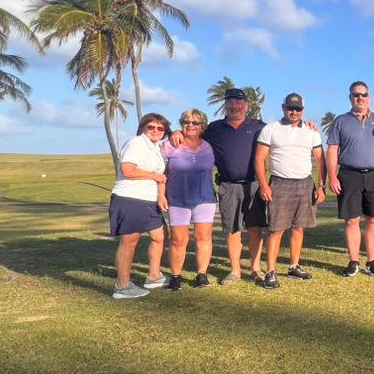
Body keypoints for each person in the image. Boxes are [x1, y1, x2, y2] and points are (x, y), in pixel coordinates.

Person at [255, 93, 326, 289]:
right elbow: (259, 159)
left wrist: (321, 186)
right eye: (290, 108)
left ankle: (294, 265)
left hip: (304, 183)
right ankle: (270, 271)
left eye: (298, 109)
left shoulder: (312, 131)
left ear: (303, 110)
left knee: (298, 227)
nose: (294, 112)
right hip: (280, 183)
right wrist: (264, 184)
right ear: (283, 108)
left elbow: (320, 160)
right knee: (276, 229)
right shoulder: (271, 129)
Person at [201, 88, 267, 284]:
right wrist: (177, 133)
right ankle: (235, 271)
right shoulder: (214, 128)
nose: (234, 106)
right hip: (228, 186)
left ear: (246, 105)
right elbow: (193, 136)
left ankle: (255, 269)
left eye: (239, 102)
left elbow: (283, 132)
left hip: (254, 185)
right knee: (232, 230)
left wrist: (307, 125)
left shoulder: (259, 126)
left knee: (254, 228)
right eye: (230, 102)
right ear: (225, 105)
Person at [325, 80, 374, 277]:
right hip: (349, 174)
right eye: (355, 95)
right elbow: (333, 149)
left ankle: (371, 261)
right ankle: (354, 261)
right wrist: (332, 176)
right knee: (352, 221)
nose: (360, 98)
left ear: (369, 97)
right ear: (350, 98)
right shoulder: (340, 121)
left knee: (373, 219)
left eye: (363, 94)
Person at [109, 113, 171, 299]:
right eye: (151, 127)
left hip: (149, 200)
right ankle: (123, 286)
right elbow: (127, 169)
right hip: (130, 198)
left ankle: (153, 276)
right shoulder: (136, 143)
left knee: (160, 235)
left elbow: (161, 176)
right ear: (143, 128)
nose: (156, 131)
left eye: (160, 128)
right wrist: (154, 176)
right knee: (129, 242)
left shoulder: (156, 148)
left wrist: (161, 196)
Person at [160, 108, 217, 290]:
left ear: (202, 126)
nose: (190, 125)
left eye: (195, 122)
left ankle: (202, 274)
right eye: (186, 122)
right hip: (177, 199)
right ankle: (176, 276)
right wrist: (161, 194)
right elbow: (161, 173)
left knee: (203, 236)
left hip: (205, 198)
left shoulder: (209, 145)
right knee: (178, 239)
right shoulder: (170, 145)